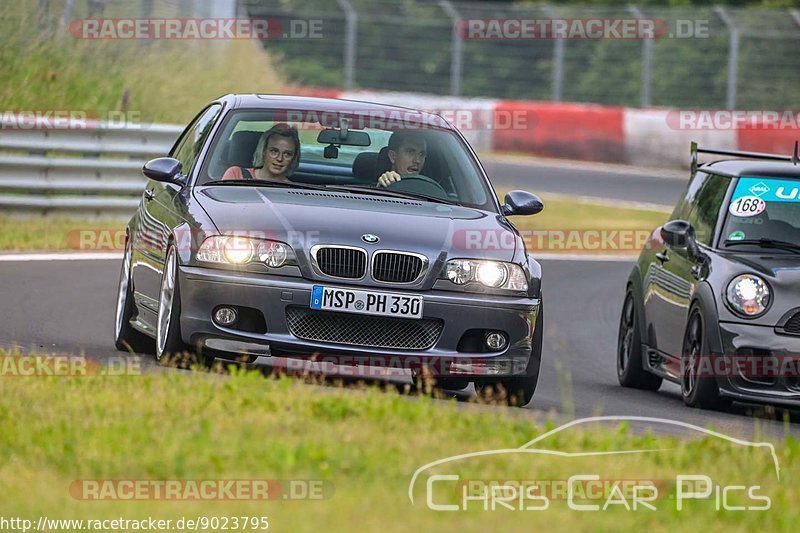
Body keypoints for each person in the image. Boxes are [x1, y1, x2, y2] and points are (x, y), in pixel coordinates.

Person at [222, 123, 300, 181]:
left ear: (294, 158)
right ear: (263, 151)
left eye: (287, 154)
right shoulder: (236, 174)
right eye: (274, 151)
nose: (279, 158)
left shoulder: (292, 191)